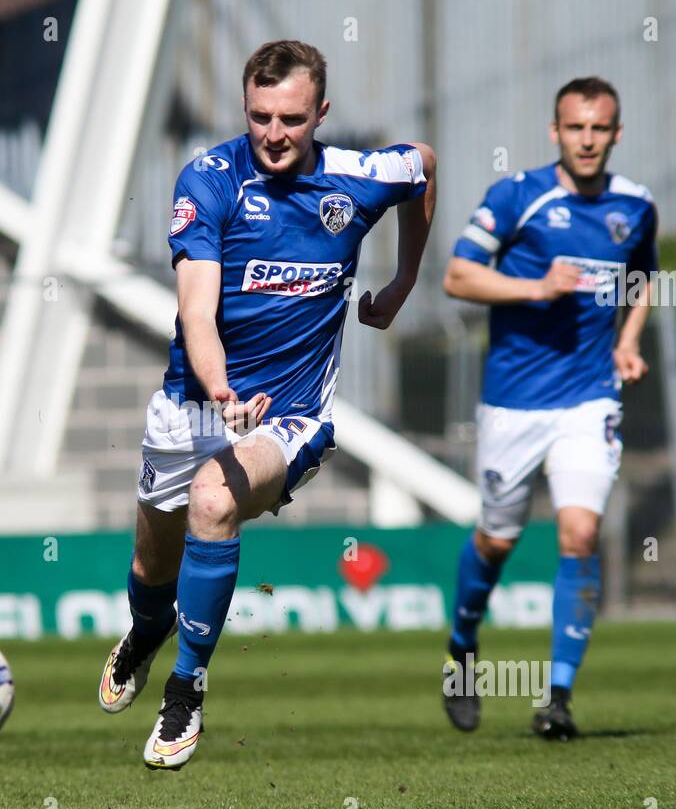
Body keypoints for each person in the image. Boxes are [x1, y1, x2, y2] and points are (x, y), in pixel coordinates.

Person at [96, 40, 436, 769]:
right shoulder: (210, 180)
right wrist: (220, 389)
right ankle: (147, 631)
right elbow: (196, 309)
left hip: (291, 416)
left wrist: (406, 280)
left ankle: (186, 689)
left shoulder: (359, 178)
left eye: (290, 118)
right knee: (153, 566)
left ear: (322, 112)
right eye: (259, 117)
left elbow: (424, 165)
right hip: (193, 403)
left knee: (213, 504)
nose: (274, 134)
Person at [441, 77, 657, 740]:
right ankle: (462, 645)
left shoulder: (636, 206)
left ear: (616, 133)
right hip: (512, 405)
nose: (587, 140)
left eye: (599, 128)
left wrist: (627, 339)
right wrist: (536, 287)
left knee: (581, 535)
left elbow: (644, 277)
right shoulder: (517, 196)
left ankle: (557, 697)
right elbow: (457, 276)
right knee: (497, 540)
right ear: (554, 131)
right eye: (575, 128)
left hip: (589, 401)